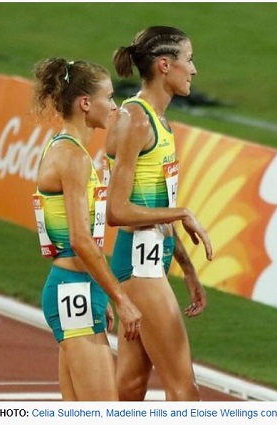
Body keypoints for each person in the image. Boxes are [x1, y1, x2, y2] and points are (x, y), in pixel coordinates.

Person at [105, 26, 213, 401]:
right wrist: (182, 212)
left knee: (130, 386)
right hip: (141, 268)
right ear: (165, 65)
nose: (194, 70)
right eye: (189, 60)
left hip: (150, 262)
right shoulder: (136, 120)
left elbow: (155, 208)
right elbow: (116, 210)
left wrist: (187, 267)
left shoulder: (159, 121)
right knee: (185, 392)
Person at [32, 57, 141, 400]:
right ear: (84, 103)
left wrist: (99, 290)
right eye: (108, 97)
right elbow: (80, 240)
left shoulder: (67, 148)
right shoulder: (73, 158)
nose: (114, 105)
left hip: (77, 287)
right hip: (72, 289)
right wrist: (121, 299)